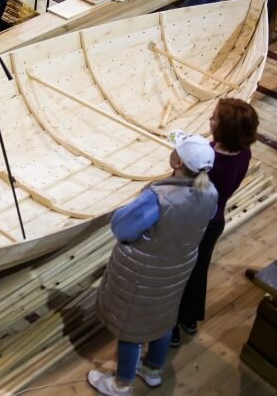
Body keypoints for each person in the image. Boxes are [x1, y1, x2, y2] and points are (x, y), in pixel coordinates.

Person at [88, 132, 219, 396]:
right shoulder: (211, 193)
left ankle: (120, 384)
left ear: (177, 162)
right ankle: (153, 370)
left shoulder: (159, 197)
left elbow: (123, 228)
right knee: (163, 319)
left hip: (143, 273)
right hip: (177, 269)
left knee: (131, 328)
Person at [174, 98, 258, 345]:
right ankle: (189, 318)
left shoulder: (210, 160)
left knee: (177, 272)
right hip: (214, 221)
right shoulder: (244, 152)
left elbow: (184, 187)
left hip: (192, 224)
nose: (209, 120)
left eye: (214, 118)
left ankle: (170, 327)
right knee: (199, 269)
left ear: (225, 129)